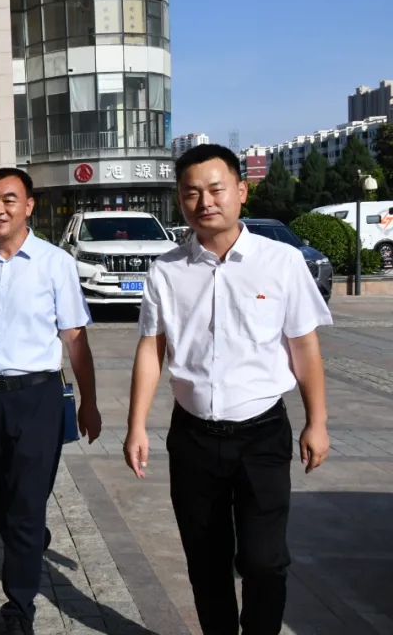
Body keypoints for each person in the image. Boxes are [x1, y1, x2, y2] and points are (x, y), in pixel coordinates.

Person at [124, 144, 332, 635]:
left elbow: (304, 347)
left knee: (264, 560)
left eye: (216, 189)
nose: (205, 202)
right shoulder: (166, 270)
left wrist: (317, 422)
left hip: (261, 435)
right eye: (191, 193)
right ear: (180, 200)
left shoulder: (281, 262)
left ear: (241, 191)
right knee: (206, 562)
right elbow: (152, 349)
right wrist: (136, 426)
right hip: (193, 437)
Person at [0, 168, 101, 635]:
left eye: (9, 199)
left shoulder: (54, 264)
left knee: (27, 503)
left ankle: (19, 607)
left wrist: (89, 402)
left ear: (28, 206)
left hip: (36, 399)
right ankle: (28, 535)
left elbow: (75, 338)